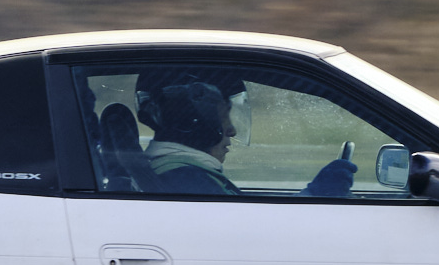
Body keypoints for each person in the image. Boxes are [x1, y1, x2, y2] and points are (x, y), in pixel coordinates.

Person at [134, 69, 359, 198]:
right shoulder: (187, 181)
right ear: (192, 120)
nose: (232, 130)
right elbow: (256, 238)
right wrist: (315, 195)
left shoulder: (185, 174)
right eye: (224, 116)